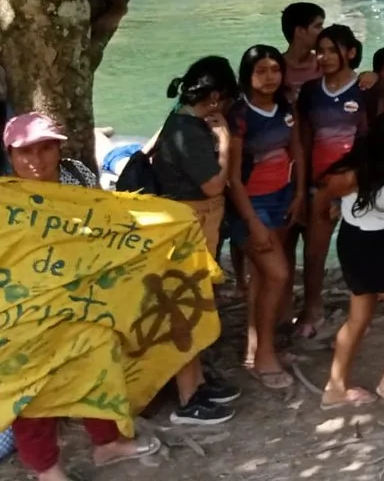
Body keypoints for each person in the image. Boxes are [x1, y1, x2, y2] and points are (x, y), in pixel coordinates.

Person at [4, 113, 162, 478]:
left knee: (99, 367)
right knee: (33, 389)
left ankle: (107, 443)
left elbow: (108, 223)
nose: (36, 160)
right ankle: (47, 470)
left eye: (45, 149)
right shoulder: (4, 197)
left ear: (59, 149)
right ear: (10, 154)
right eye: (25, 151)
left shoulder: (79, 177)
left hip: (84, 297)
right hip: (25, 310)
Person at [317, 109, 384, 411]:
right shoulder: (359, 172)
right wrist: (332, 209)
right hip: (363, 247)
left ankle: (335, 388)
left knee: (359, 318)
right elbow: (330, 189)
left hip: (374, 244)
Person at [150, 56, 241, 424]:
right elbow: (214, 184)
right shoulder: (188, 131)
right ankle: (188, 400)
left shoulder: (183, 121)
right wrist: (224, 141)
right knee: (187, 310)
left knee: (198, 305)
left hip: (198, 228)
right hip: (187, 230)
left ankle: (198, 381)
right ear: (216, 97)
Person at [227, 45, 305, 389]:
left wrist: (300, 192)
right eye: (262, 70)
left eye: (275, 69)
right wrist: (252, 222)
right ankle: (266, 357)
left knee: (264, 277)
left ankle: (255, 346)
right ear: (247, 75)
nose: (270, 77)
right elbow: (231, 176)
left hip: (282, 199)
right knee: (279, 274)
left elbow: (296, 149)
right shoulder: (239, 115)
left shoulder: (285, 107)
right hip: (251, 205)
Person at [295, 25, 369, 339]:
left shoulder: (365, 89)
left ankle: (362, 313)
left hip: (355, 184)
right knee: (315, 251)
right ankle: (313, 309)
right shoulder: (311, 91)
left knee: (361, 250)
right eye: (319, 51)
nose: (323, 57)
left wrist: (357, 181)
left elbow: (368, 139)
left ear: (350, 53)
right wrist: (303, 187)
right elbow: (303, 140)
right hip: (319, 185)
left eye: (331, 50)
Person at [280, 2, 326, 100]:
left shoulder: (325, 64)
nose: (323, 31)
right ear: (300, 31)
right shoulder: (275, 68)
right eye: (318, 26)